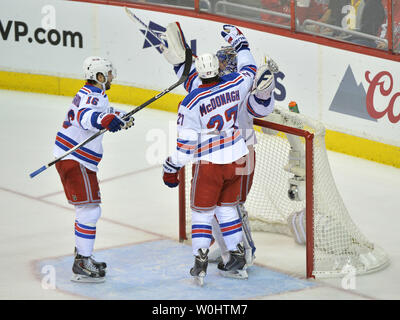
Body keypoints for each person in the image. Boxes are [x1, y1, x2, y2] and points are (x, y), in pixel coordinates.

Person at [161, 24, 276, 285]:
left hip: (238, 152)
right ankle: (228, 251)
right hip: (234, 152)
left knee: (229, 207)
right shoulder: (236, 83)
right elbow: (192, 80)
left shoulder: (243, 87)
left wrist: (265, 92)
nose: (224, 62)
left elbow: (261, 108)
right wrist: (182, 62)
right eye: (221, 59)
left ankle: (243, 254)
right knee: (222, 208)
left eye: (228, 59)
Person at [53, 56, 134, 282]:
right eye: (108, 73)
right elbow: (86, 117)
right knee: (89, 211)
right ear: (99, 77)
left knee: (89, 210)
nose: (111, 77)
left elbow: (102, 110)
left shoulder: (95, 93)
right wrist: (105, 119)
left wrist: (117, 116)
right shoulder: (91, 96)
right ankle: (82, 262)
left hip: (75, 158)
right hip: (75, 158)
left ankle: (83, 257)